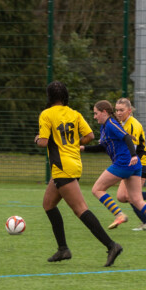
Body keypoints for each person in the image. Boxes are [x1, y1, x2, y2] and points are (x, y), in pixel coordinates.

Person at [35, 81, 122, 267]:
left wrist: (37, 139)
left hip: (62, 167)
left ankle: (111, 245)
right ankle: (63, 249)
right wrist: (73, 143)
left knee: (80, 209)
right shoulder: (74, 114)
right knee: (48, 204)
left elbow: (43, 142)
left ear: (49, 97)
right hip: (73, 164)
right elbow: (90, 135)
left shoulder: (46, 114)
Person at [83, 100, 146, 237]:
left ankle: (119, 215)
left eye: (96, 113)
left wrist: (134, 155)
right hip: (133, 165)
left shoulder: (111, 124)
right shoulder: (105, 127)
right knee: (136, 199)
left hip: (124, 163)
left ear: (104, 112)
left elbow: (127, 138)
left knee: (97, 189)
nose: (94, 116)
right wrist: (83, 148)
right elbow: (103, 146)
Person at [115, 98, 146, 231]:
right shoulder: (121, 124)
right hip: (129, 164)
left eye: (121, 110)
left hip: (141, 164)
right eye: (117, 110)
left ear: (129, 111)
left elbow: (133, 150)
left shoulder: (132, 125)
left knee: (131, 197)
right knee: (121, 196)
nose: (118, 113)